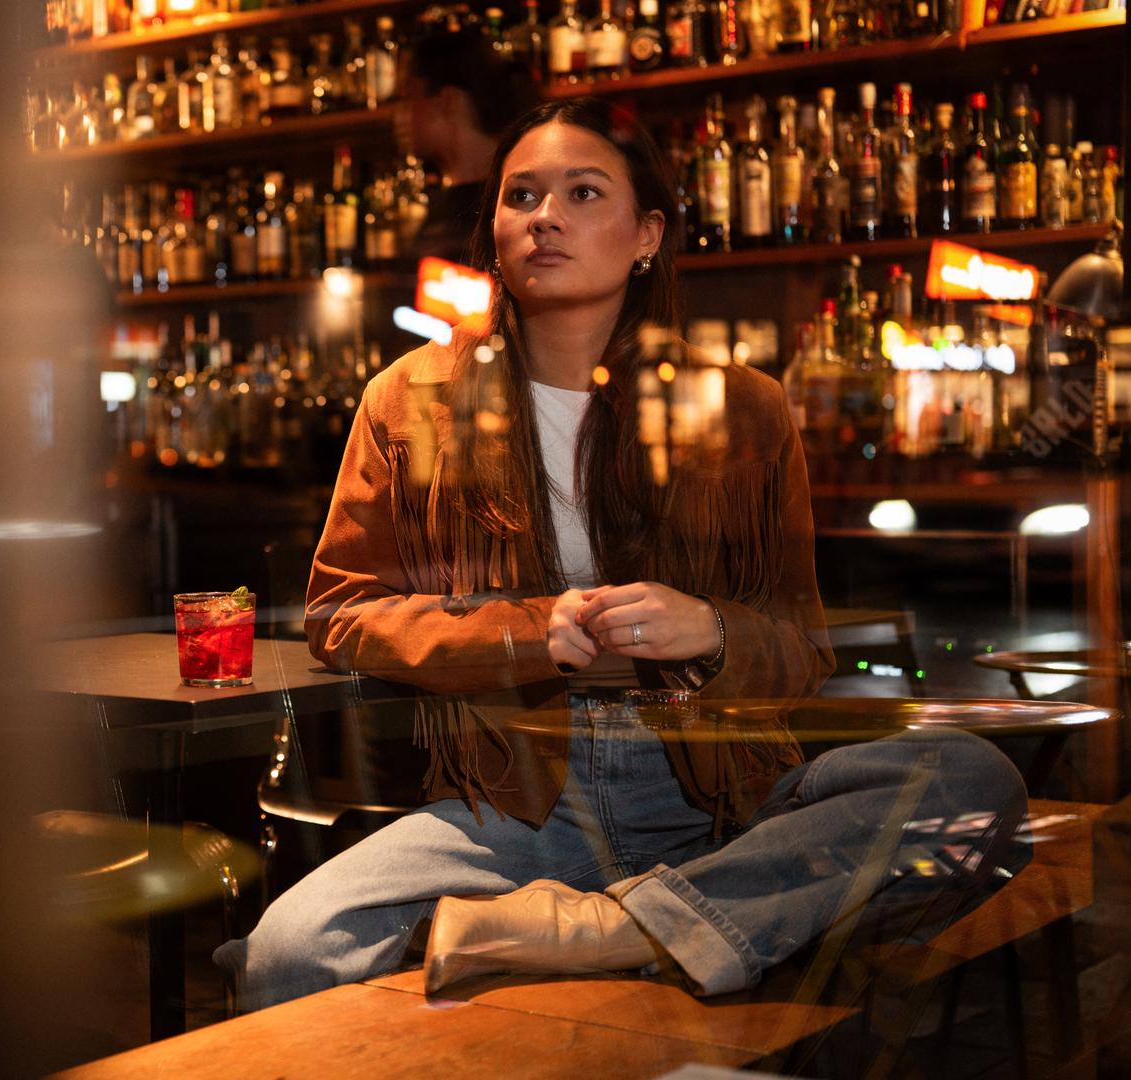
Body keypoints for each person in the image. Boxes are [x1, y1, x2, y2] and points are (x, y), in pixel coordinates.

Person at [214, 97, 1030, 1010]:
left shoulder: (745, 407)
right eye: (521, 195)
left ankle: (608, 930)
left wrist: (711, 631)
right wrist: (524, 633)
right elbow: (340, 613)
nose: (544, 217)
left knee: (969, 781)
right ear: (494, 231)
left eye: (582, 192)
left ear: (647, 234)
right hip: (519, 794)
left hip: (721, 791)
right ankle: (677, 929)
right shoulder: (409, 401)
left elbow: (801, 649)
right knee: (291, 950)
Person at [398, 30, 538, 267]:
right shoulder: (466, 200)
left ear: (447, 101)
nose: (400, 116)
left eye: (407, 98)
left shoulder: (507, 204)